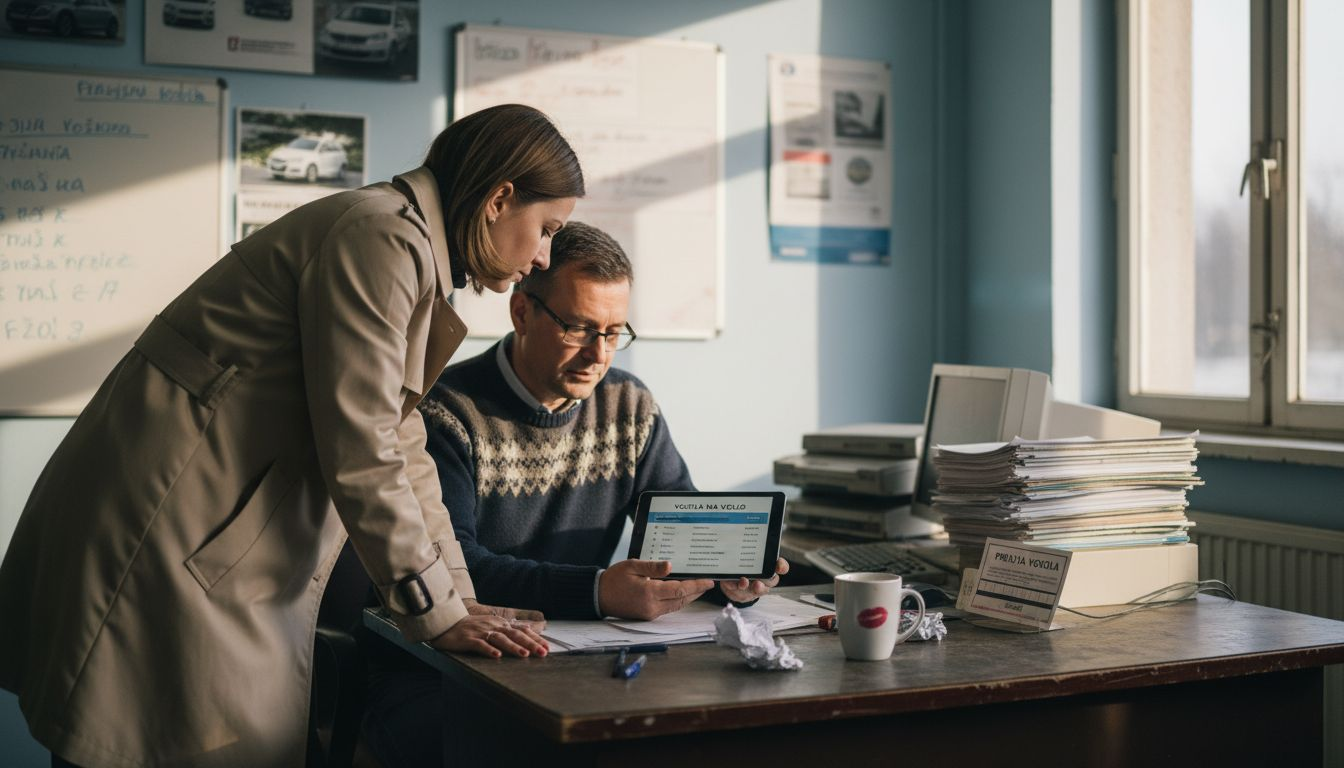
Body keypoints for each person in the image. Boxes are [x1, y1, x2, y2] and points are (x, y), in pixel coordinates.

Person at [0, 103, 580, 768]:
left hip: (188, 520)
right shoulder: (381, 237)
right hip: (160, 523)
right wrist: (437, 611)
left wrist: (459, 600)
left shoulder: (403, 245)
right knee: (123, 739)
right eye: (546, 229)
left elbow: (400, 439)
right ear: (499, 199)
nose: (542, 257)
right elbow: (364, 446)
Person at [358, 221, 788, 767]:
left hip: (571, 668)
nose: (599, 354)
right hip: (437, 669)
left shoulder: (629, 406)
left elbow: (676, 536)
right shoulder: (445, 411)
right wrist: (598, 592)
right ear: (521, 312)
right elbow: (453, 569)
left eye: (614, 332)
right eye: (580, 328)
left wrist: (729, 577)